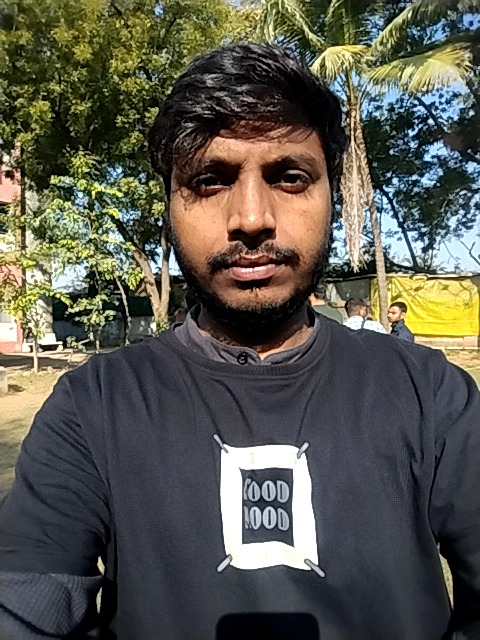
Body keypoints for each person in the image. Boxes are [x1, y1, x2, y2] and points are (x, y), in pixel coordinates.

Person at [0, 43, 479, 640]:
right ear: (169, 207)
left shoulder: (432, 394)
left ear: (333, 196)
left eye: (290, 177)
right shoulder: (93, 406)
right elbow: (26, 600)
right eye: (209, 180)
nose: (251, 218)